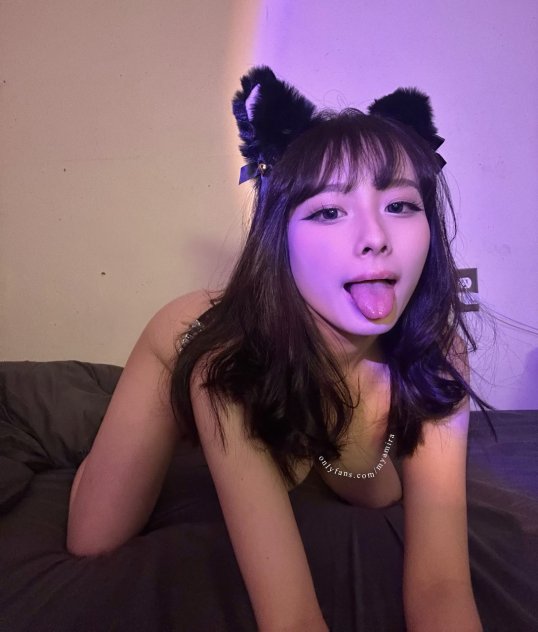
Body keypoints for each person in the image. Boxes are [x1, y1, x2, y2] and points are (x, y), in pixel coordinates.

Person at [67, 66, 488, 631]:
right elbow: (290, 619)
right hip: (202, 351)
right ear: (279, 235)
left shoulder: (439, 352)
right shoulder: (224, 363)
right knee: (93, 536)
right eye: (329, 211)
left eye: (400, 205)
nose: (375, 237)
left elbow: (442, 586)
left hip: (337, 387)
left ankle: (320, 424)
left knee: (377, 494)